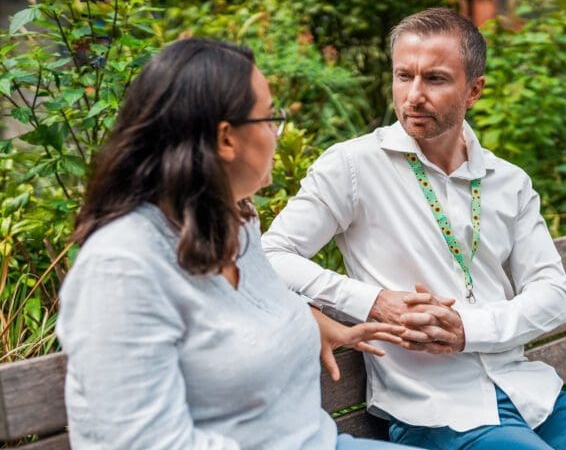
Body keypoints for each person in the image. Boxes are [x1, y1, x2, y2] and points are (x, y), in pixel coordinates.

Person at [262, 9, 566, 450]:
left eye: (436, 79)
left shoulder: (508, 181)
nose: (414, 95)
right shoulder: (351, 166)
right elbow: (271, 255)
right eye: (404, 76)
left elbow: (554, 295)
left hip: (531, 396)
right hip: (435, 411)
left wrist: (468, 328)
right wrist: (374, 301)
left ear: (474, 90)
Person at [55, 38, 422, 450]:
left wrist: (307, 320)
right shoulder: (121, 267)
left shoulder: (233, 221)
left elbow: (234, 313)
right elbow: (141, 442)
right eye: (269, 119)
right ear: (226, 138)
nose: (277, 135)